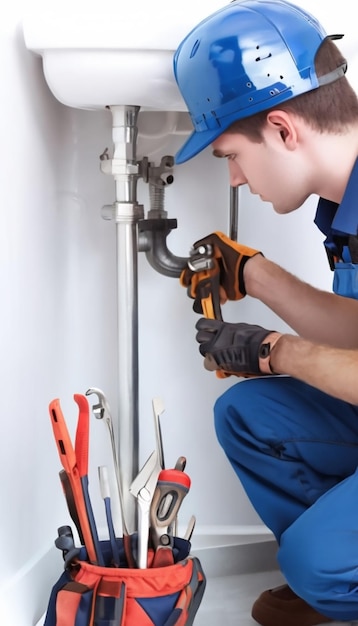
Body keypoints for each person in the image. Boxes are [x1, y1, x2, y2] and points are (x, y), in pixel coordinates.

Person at [173, 1, 358, 625]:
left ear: (282, 129)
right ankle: (332, 568)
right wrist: (255, 274)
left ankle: (330, 573)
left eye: (230, 154)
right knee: (248, 414)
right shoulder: (346, 208)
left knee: (318, 564)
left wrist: (274, 349)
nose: (232, 178)